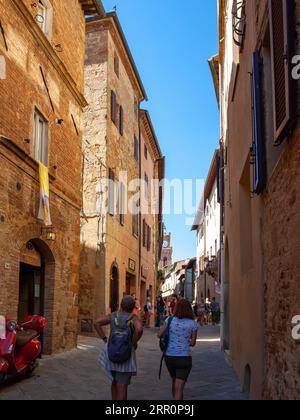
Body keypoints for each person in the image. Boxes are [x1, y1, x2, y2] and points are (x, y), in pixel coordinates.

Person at [95, 296, 143, 401]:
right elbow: (139, 329)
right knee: (122, 386)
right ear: (132, 307)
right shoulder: (133, 318)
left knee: (114, 381)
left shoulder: (113, 316)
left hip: (111, 353)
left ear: (121, 305)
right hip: (126, 355)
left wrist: (104, 339)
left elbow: (97, 322)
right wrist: (133, 342)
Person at [157, 299, 198, 401]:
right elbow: (192, 343)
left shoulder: (169, 320)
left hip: (170, 357)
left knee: (174, 381)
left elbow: (159, 334)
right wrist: (184, 340)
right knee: (179, 387)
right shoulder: (193, 324)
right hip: (184, 357)